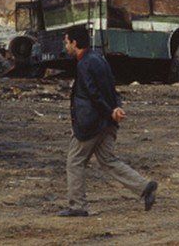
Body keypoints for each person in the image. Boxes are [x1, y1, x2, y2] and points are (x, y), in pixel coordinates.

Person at [58, 26, 157, 217]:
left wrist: (110, 112)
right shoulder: (99, 59)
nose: (66, 45)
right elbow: (110, 88)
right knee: (108, 160)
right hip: (106, 122)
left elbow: (93, 94)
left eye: (66, 41)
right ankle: (145, 187)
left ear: (74, 43)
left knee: (75, 161)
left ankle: (78, 205)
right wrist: (115, 109)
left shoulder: (85, 64)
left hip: (93, 123)